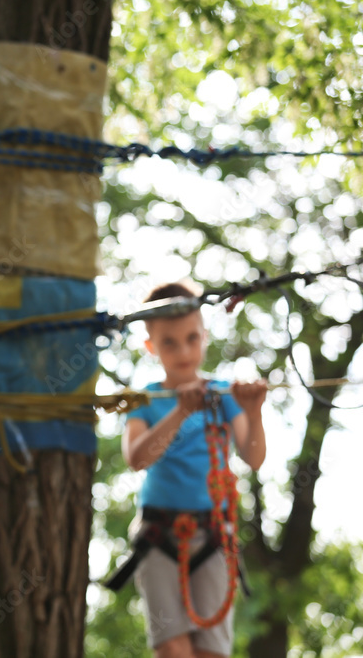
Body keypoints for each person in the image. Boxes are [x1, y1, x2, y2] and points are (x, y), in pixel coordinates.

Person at [121, 282, 267, 658]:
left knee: (212, 653)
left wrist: (252, 410)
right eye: (169, 342)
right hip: (158, 534)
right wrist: (182, 410)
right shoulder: (146, 400)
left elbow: (253, 458)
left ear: (203, 336)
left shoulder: (223, 395)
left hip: (214, 534)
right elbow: (137, 458)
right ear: (151, 347)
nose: (184, 351)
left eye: (191, 338)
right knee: (173, 650)